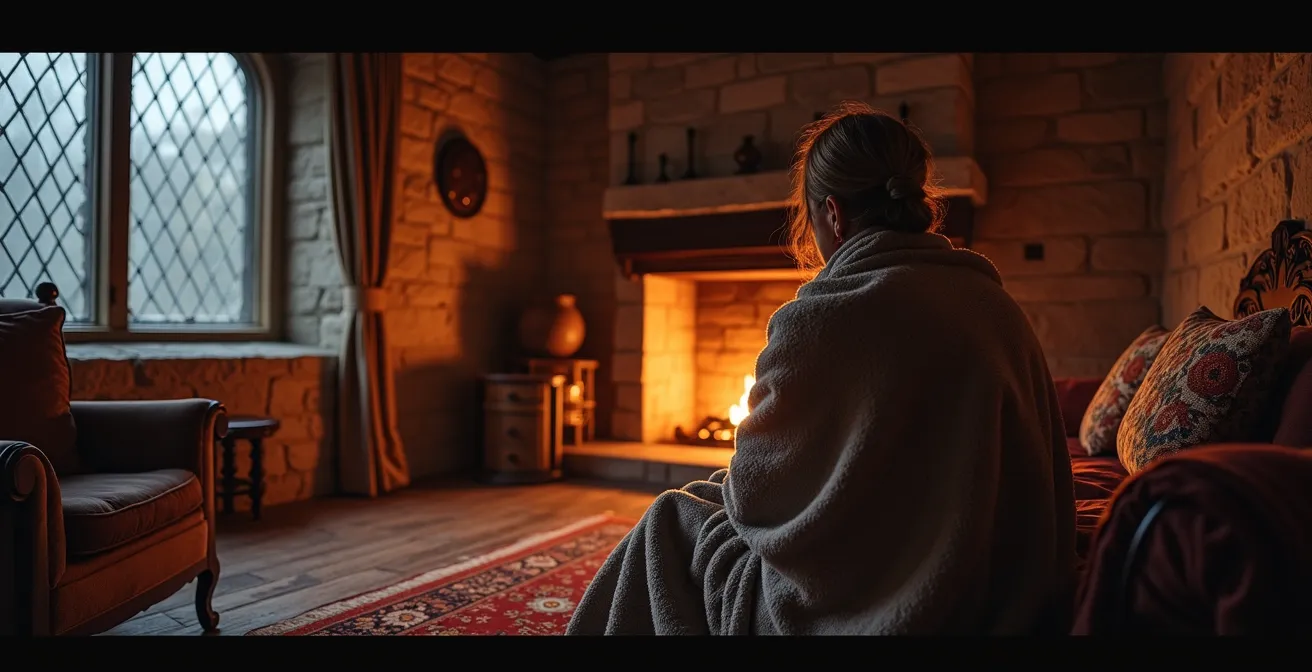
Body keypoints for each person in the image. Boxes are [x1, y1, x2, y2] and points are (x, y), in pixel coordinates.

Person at [566, 101, 1076, 635]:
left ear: (832, 213)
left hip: (854, 605)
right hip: (990, 598)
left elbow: (753, 499)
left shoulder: (823, 318)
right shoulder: (998, 308)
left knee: (670, 518)